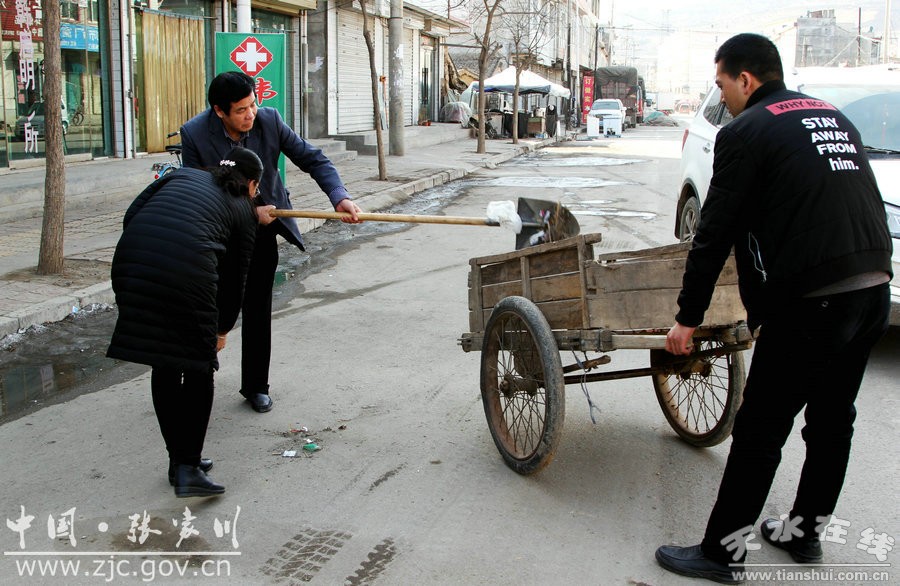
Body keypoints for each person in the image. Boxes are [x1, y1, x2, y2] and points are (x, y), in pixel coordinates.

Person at [655, 33, 892, 584]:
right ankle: (804, 534)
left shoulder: (746, 133)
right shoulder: (831, 116)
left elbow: (713, 235)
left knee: (760, 430)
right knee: (832, 422)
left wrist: (688, 318)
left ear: (746, 79)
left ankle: (721, 554)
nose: (721, 96)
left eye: (722, 84)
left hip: (815, 302)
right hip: (873, 288)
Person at [180, 71, 362, 414]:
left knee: (258, 307)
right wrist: (248, 212)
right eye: (241, 110)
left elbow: (313, 158)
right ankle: (200, 379)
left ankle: (255, 386)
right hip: (220, 232)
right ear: (219, 111)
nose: (251, 114)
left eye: (253, 104)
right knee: (212, 308)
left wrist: (339, 197)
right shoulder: (195, 134)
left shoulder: (269, 120)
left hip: (263, 232)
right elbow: (198, 191)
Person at [107, 147, 267, 498]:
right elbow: (235, 279)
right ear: (251, 184)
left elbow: (133, 212)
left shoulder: (182, 175)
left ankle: (177, 460)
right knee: (198, 367)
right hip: (186, 275)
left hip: (132, 265)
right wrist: (221, 330)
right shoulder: (242, 208)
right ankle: (188, 468)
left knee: (164, 362)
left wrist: (154, 250)